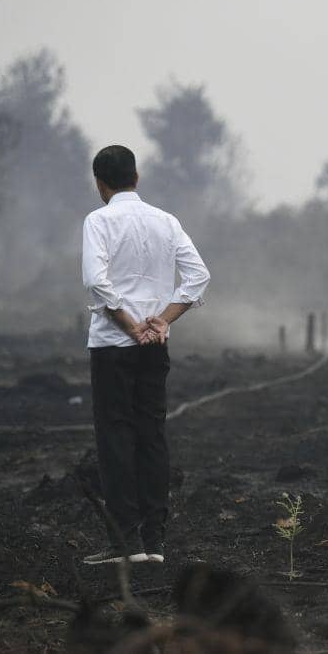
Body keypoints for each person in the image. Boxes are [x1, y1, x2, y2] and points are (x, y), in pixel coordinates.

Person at [81, 145, 210, 565]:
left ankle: (126, 542)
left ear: (100, 183)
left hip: (112, 347)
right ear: (136, 178)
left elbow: (96, 282)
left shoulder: (98, 221)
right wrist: (162, 321)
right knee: (152, 435)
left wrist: (129, 325)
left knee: (116, 438)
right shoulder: (166, 221)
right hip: (155, 346)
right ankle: (154, 542)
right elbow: (198, 276)